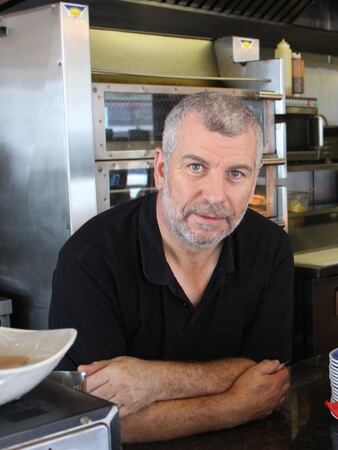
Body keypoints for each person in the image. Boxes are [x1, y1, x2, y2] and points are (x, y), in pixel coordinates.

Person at [49, 92, 293, 442]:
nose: (215, 196)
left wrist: (153, 380)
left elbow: (269, 379)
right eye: (196, 167)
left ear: (254, 178)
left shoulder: (270, 248)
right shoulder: (89, 259)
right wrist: (234, 405)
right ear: (161, 169)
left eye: (235, 173)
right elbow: (96, 417)